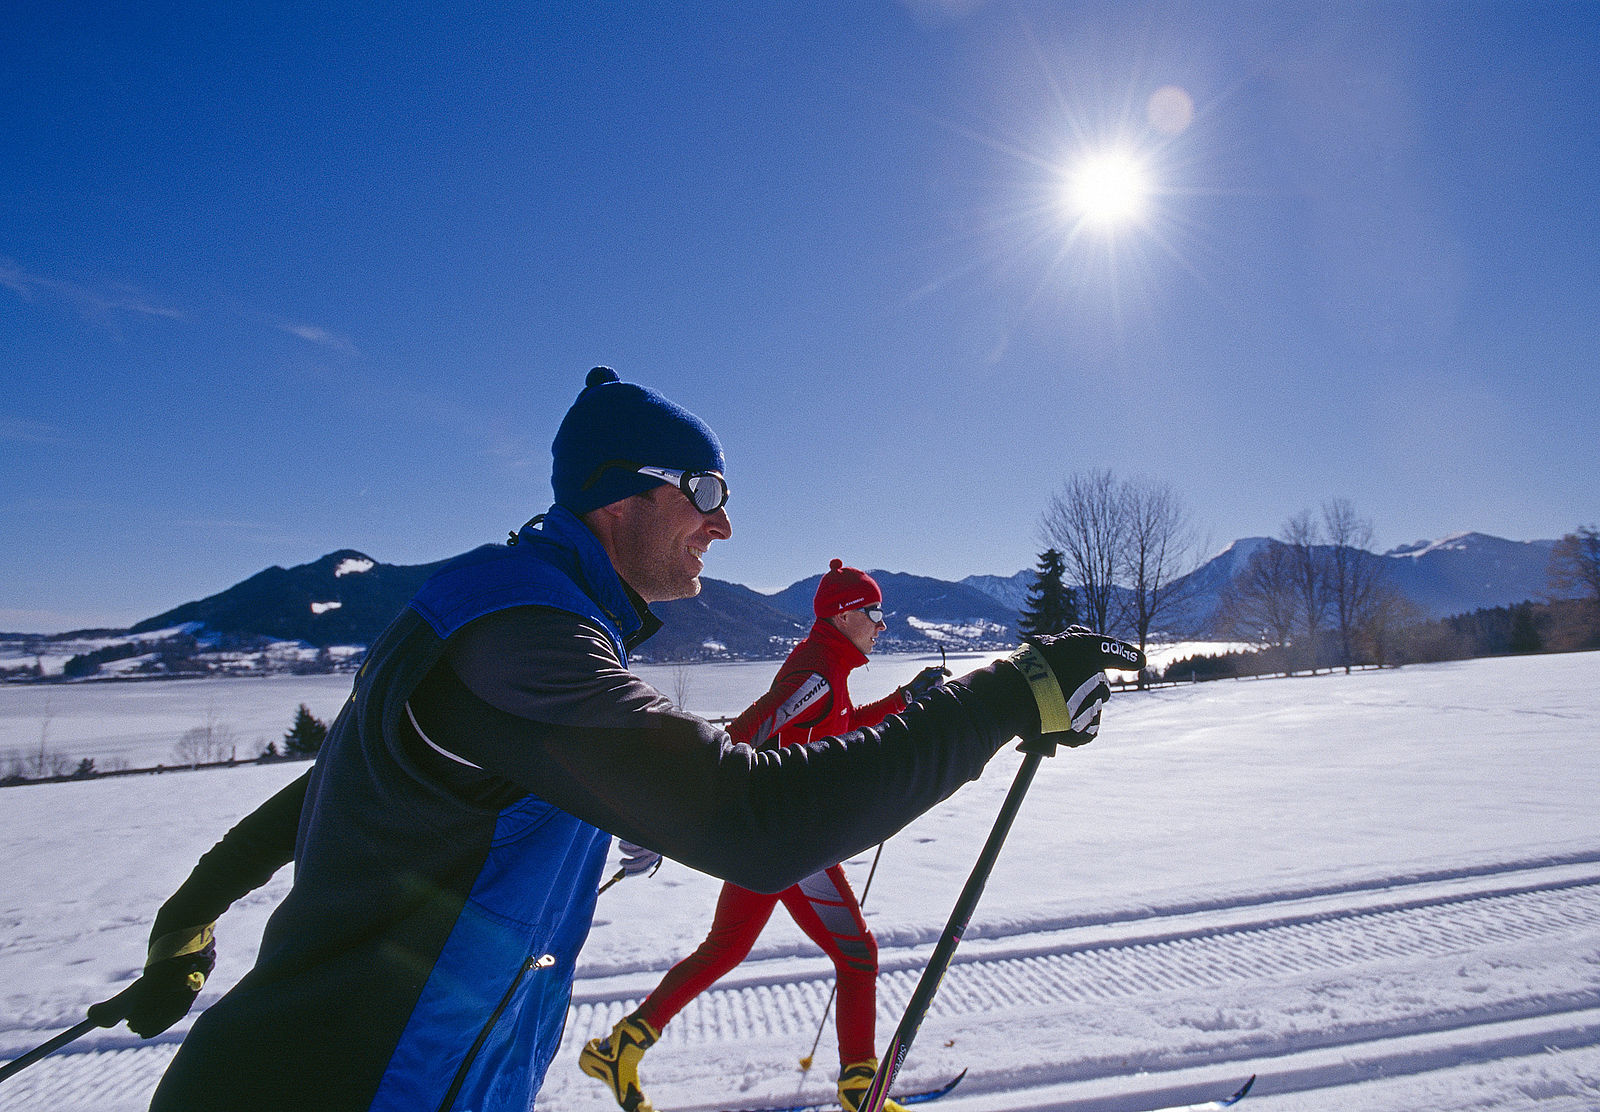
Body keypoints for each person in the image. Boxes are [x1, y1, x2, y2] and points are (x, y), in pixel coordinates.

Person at [109, 366, 1144, 1112]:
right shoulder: (521, 638)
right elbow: (758, 816)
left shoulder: (496, 611)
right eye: (705, 492)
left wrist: (190, 908)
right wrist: (1008, 695)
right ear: (619, 489)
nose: (724, 524)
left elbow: (331, 785)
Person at [580, 560, 950, 1112]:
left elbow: (839, 729)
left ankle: (620, 1047)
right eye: (874, 613)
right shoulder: (818, 674)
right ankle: (858, 1088)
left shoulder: (828, 670)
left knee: (724, 949)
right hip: (795, 844)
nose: (881, 625)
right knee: (859, 956)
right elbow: (741, 735)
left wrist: (903, 701)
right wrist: (675, 812)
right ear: (844, 614)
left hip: (774, 840)